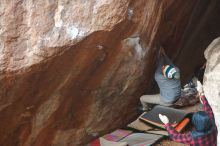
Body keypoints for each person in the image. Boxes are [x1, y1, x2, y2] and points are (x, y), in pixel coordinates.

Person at [159, 81, 217, 146]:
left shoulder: (192, 137)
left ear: (194, 123)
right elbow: (208, 110)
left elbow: (175, 137)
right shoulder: (214, 124)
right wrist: (201, 93)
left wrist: (166, 123)